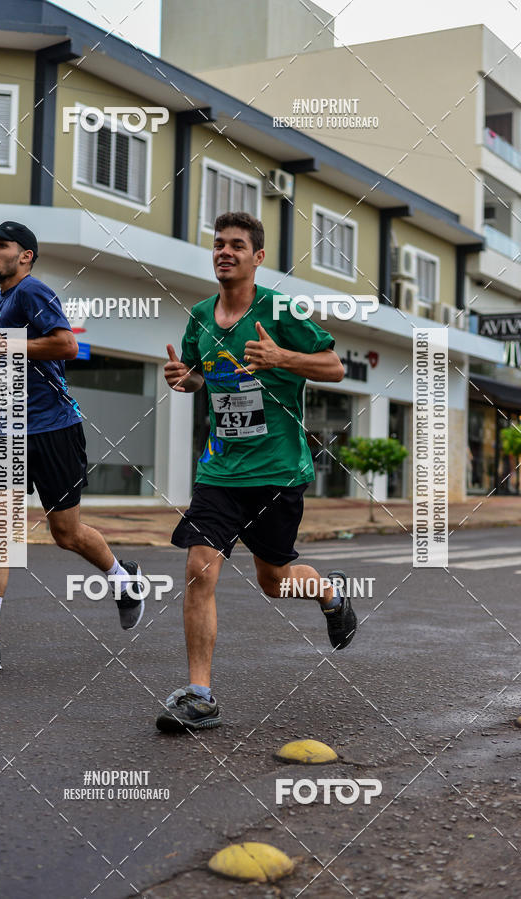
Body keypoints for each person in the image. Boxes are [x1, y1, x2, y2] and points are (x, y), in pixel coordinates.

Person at [156, 211, 357, 733]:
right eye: (219, 244)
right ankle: (200, 695)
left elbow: (336, 366)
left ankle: (330, 596)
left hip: (276, 473)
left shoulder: (281, 308)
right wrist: (187, 378)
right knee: (200, 567)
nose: (225, 252)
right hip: (220, 471)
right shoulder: (200, 316)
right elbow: (201, 377)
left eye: (237, 246)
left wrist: (281, 356)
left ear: (257, 258)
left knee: (274, 582)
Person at [0, 221, 145, 671]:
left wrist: (3, 345)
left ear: (26, 255)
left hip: (54, 428)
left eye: (1, 245)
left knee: (66, 534)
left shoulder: (34, 292)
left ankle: (122, 576)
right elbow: (9, 352)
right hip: (10, 428)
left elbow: (67, 345)